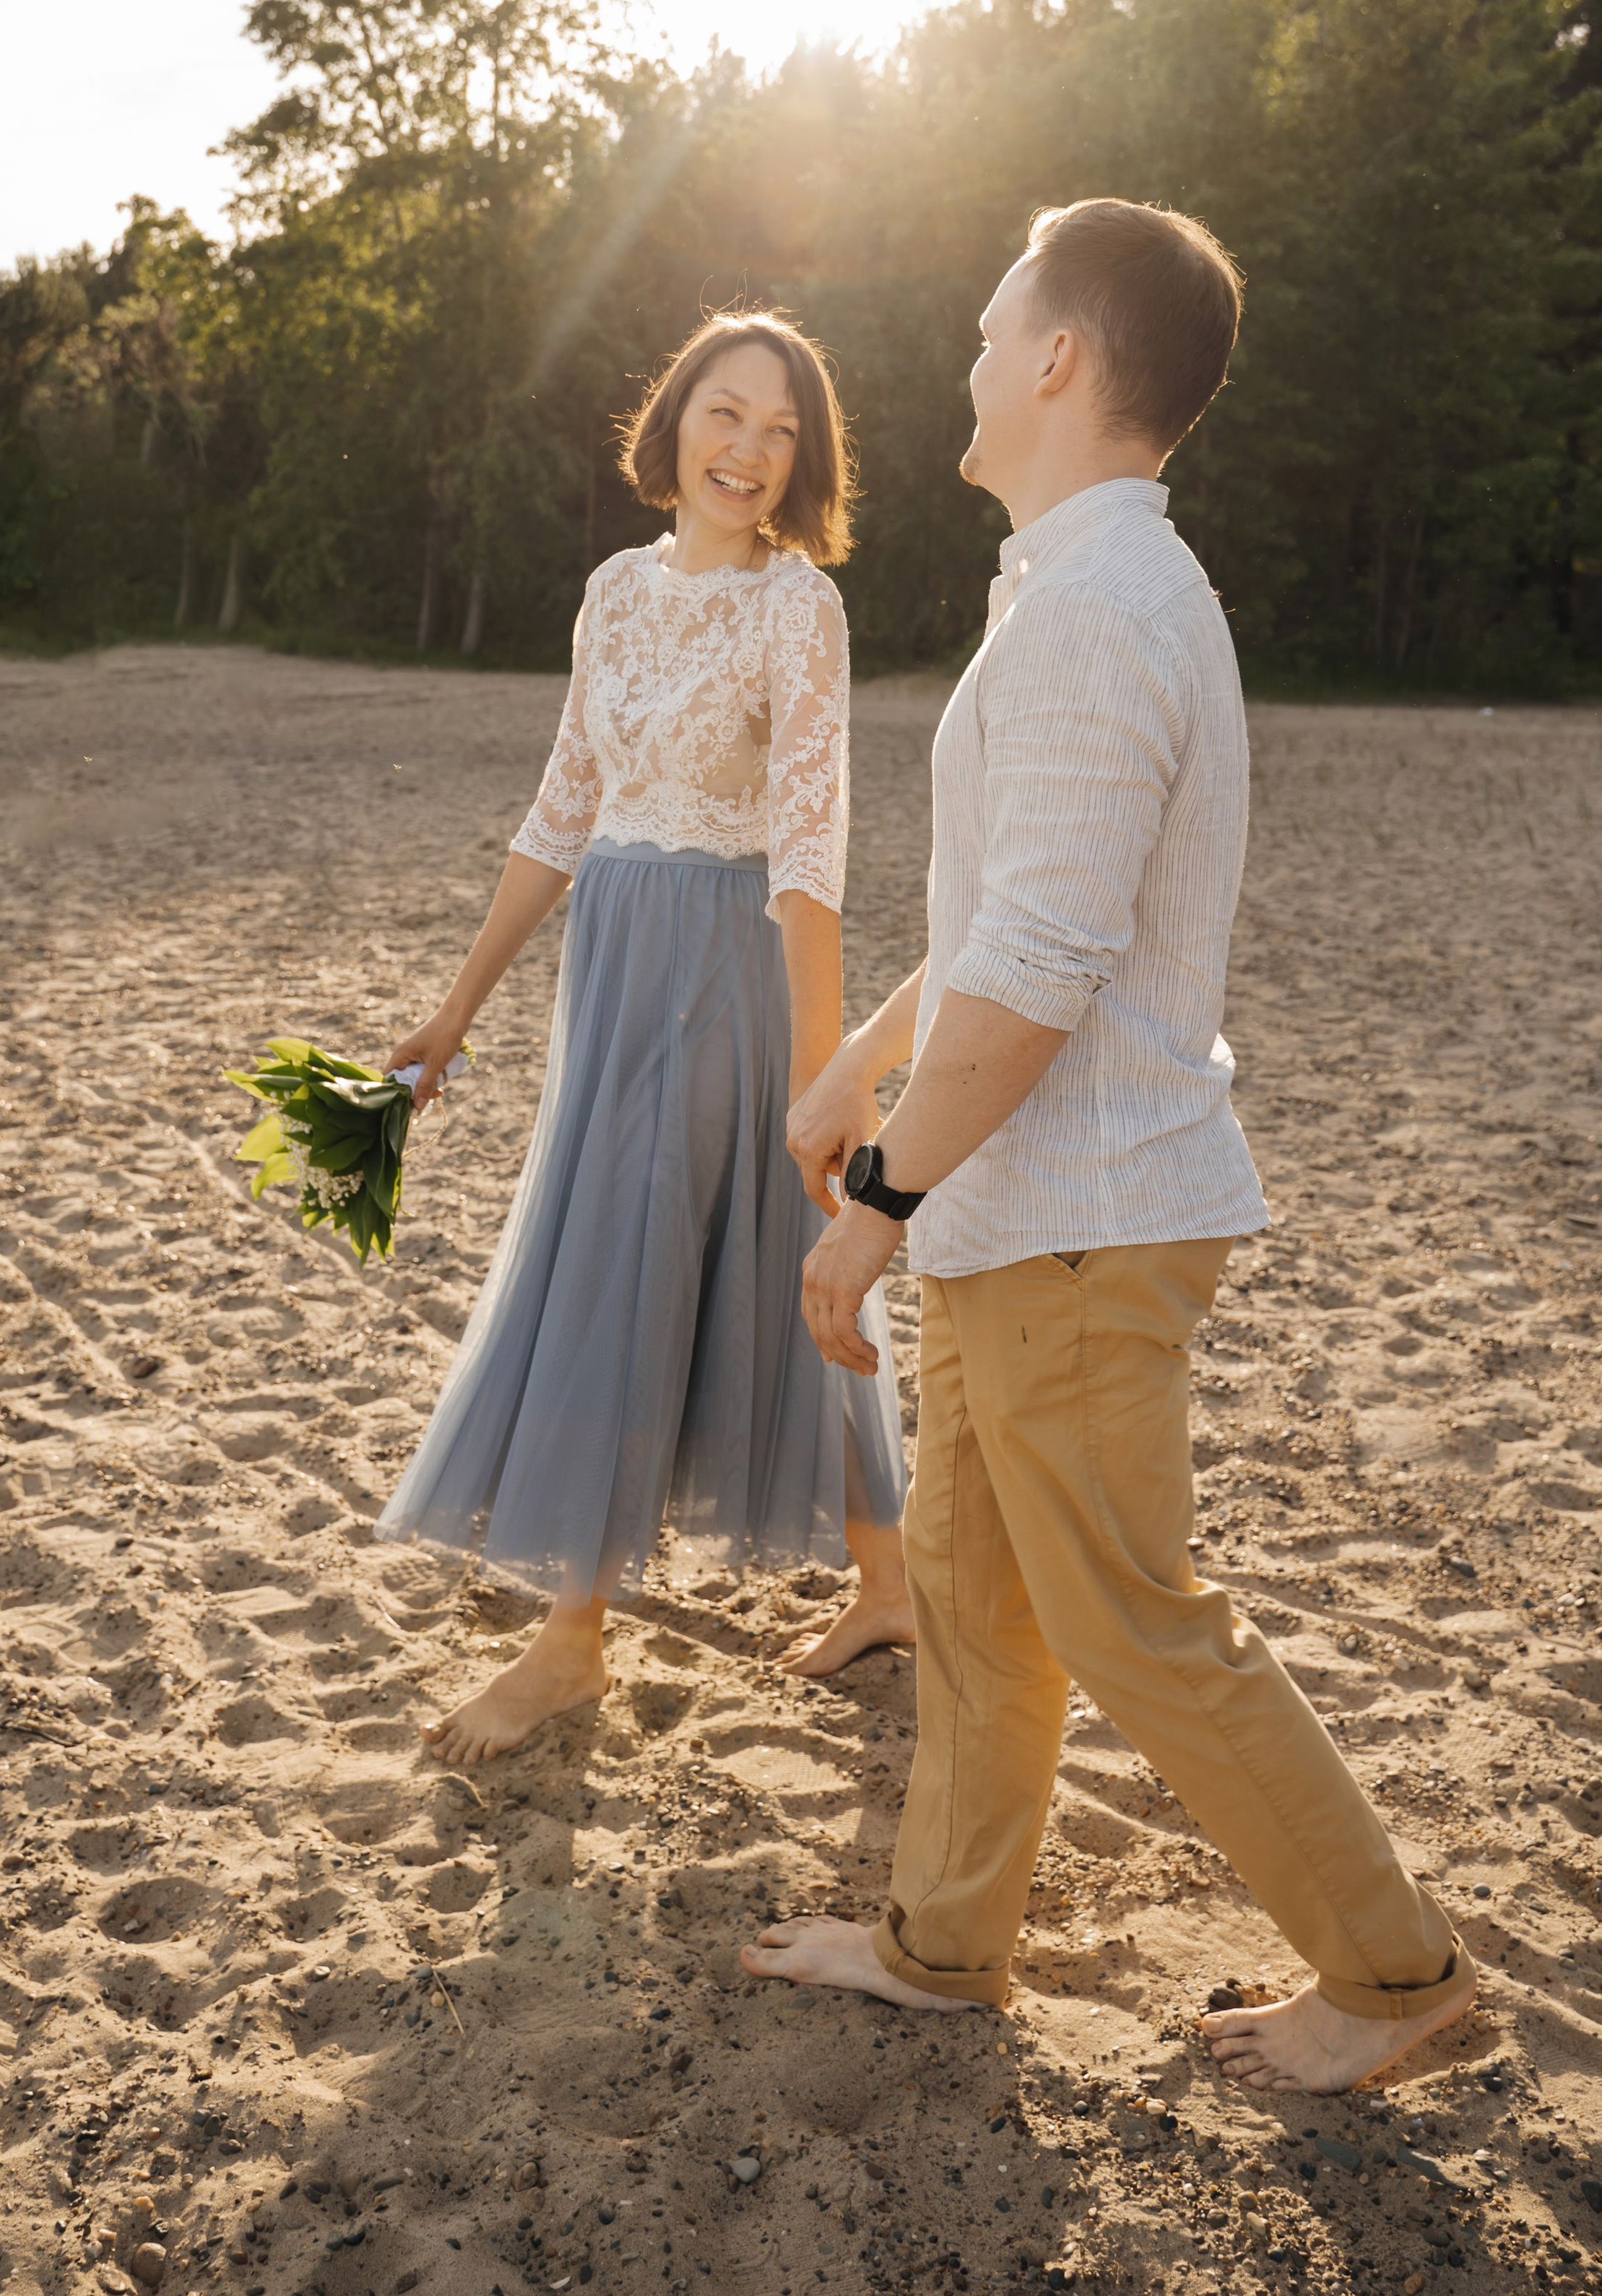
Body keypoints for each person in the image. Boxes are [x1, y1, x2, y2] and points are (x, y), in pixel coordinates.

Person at [739, 199, 1478, 2095]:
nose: (971, 360)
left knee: (1140, 1632)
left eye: (995, 327)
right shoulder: (1073, 595)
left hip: (1078, 1223)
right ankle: (942, 1946)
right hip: (1020, 1210)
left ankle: (1395, 1984)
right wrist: (868, 1077)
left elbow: (1053, 968)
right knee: (984, 1613)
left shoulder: (1099, 612)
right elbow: (1013, 921)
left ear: (1061, 358)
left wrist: (873, 1202)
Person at [376, 311, 912, 1765]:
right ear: (673, 420)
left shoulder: (798, 608)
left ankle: (570, 1645)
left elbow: (807, 855)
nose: (747, 450)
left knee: (634, 1257)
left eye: (780, 430)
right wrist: (452, 1011)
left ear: (803, 460)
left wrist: (826, 1078)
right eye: (724, 415)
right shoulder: (610, 593)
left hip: (724, 973)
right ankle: (896, 1582)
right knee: (746, 1259)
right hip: (609, 966)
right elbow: (561, 812)